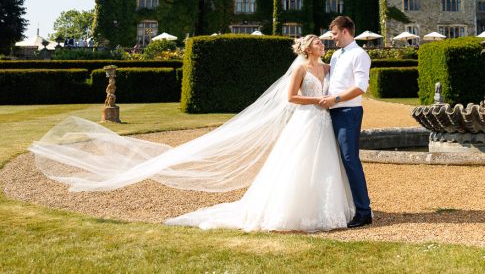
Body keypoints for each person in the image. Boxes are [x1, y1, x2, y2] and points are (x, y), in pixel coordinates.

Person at [29, 35, 355, 233]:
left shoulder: (326, 67)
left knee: (323, 164)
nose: (322, 44)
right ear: (307, 48)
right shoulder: (299, 68)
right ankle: (291, 212)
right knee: (297, 164)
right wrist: (319, 100)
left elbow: (341, 79)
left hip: (322, 122)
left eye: (324, 42)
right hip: (306, 119)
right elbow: (291, 98)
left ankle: (327, 210)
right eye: (318, 42)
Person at [318, 15, 373, 228]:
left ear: (345, 31)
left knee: (350, 160)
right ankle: (343, 207)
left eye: (334, 34)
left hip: (349, 111)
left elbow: (361, 87)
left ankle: (363, 211)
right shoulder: (336, 55)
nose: (333, 38)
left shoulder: (360, 55)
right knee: (333, 160)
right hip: (331, 112)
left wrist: (336, 99)